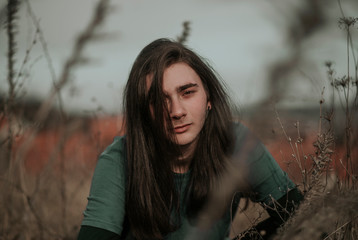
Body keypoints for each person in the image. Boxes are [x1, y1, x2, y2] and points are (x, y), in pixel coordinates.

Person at [77, 38, 303, 240]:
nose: (176, 111)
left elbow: (300, 215)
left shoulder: (235, 142)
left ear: (209, 98)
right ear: (143, 112)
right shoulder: (120, 159)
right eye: (158, 100)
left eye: (187, 92)